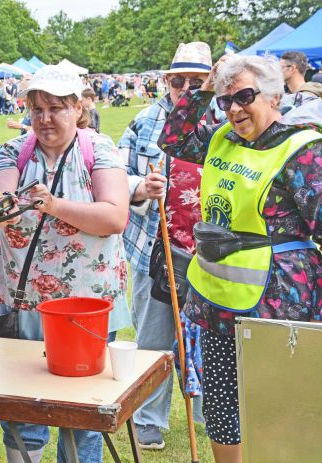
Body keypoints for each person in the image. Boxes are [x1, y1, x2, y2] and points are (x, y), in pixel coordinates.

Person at [158, 54, 322, 463]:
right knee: (222, 408)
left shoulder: (304, 151)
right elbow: (172, 138)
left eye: (245, 96)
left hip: (280, 309)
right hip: (218, 300)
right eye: (226, 100)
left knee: (278, 411)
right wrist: (204, 90)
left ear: (273, 96)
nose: (235, 108)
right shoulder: (221, 138)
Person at [0, 63, 131, 463]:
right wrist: (1, 208)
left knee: (82, 413)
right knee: (23, 409)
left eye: (56, 108)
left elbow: (114, 217)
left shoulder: (98, 149)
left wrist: (52, 205)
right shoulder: (12, 151)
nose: (46, 119)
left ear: (77, 108)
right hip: (25, 303)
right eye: (38, 110)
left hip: (87, 308)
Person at [117, 41, 218, 450]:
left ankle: (209, 414)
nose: (187, 88)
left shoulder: (226, 121)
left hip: (212, 250)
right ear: (167, 80)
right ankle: (149, 420)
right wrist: (140, 188)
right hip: (152, 247)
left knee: (209, 337)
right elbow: (115, 176)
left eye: (198, 80)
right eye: (180, 80)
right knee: (154, 339)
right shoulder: (144, 121)